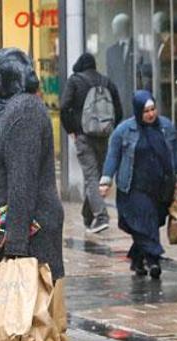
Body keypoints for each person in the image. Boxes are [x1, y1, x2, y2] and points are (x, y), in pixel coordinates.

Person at [0, 47, 65, 341]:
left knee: (31, 306)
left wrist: (15, 240)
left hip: (30, 227)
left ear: (5, 78)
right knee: (13, 303)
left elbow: (23, 178)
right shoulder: (11, 110)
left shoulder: (24, 112)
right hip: (17, 224)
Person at [100, 90, 177, 279]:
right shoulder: (124, 131)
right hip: (133, 188)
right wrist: (105, 181)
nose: (151, 114)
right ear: (138, 111)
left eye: (153, 109)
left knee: (152, 222)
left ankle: (137, 259)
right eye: (146, 111)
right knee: (145, 223)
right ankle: (153, 260)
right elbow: (113, 156)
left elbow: (176, 155)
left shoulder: (166, 127)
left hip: (161, 187)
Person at [60, 53, 123, 233]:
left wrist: (72, 129)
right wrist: (109, 129)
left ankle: (101, 216)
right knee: (95, 175)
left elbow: (64, 107)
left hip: (83, 136)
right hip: (103, 136)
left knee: (91, 176)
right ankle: (88, 215)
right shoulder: (106, 82)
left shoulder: (75, 81)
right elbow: (118, 110)